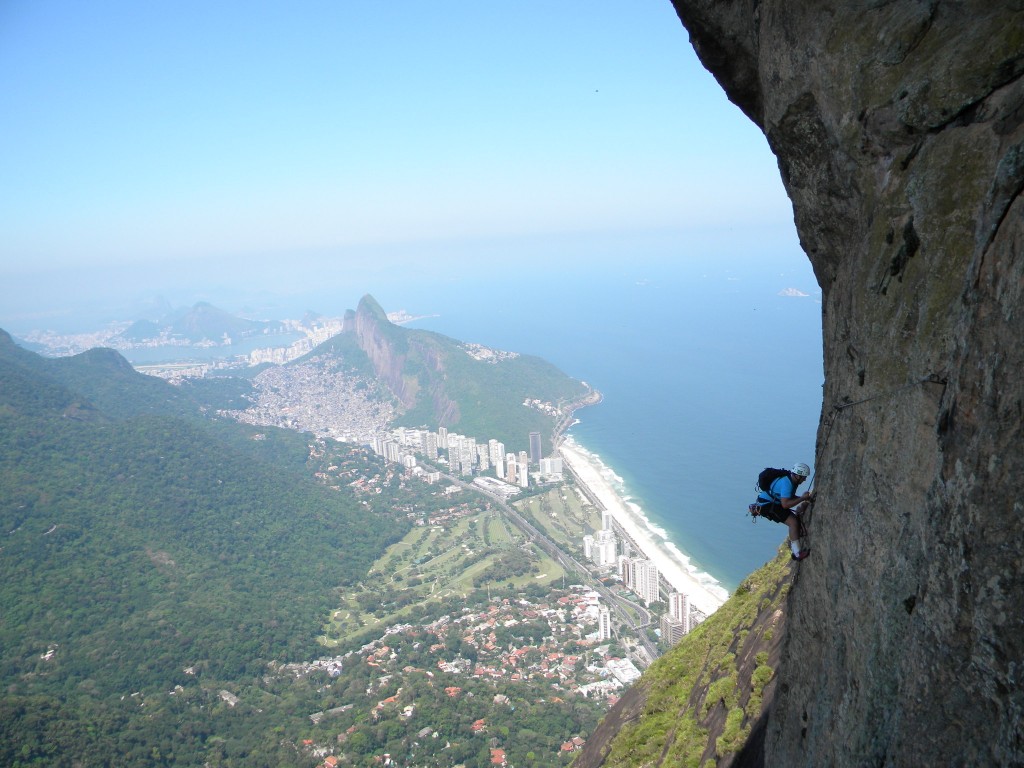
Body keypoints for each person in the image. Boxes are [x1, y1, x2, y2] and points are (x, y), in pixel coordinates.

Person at [754, 462, 815, 561]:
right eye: (803, 477)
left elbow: (787, 497)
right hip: (768, 505)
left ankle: (796, 549)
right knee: (793, 523)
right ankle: (797, 554)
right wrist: (802, 498)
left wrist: (803, 498)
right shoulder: (787, 483)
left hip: (770, 502)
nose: (805, 479)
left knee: (794, 520)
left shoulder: (790, 480)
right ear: (798, 476)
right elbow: (785, 504)